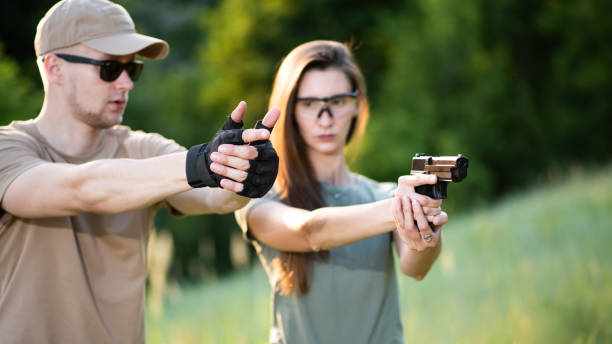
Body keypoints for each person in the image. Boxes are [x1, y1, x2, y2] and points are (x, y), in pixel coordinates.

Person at [0, 0, 279, 343]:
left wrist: (241, 174)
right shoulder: (8, 149)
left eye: (132, 70)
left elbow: (213, 197)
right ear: (55, 68)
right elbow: (79, 190)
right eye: (108, 69)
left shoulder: (143, 149)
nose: (126, 84)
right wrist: (201, 163)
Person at [235, 40, 449, 343]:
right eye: (309, 104)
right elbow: (310, 231)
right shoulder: (261, 198)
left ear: (356, 105)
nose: (325, 118)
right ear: (290, 111)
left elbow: (415, 266)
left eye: (337, 101)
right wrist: (400, 207)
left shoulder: (382, 195)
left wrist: (426, 225)